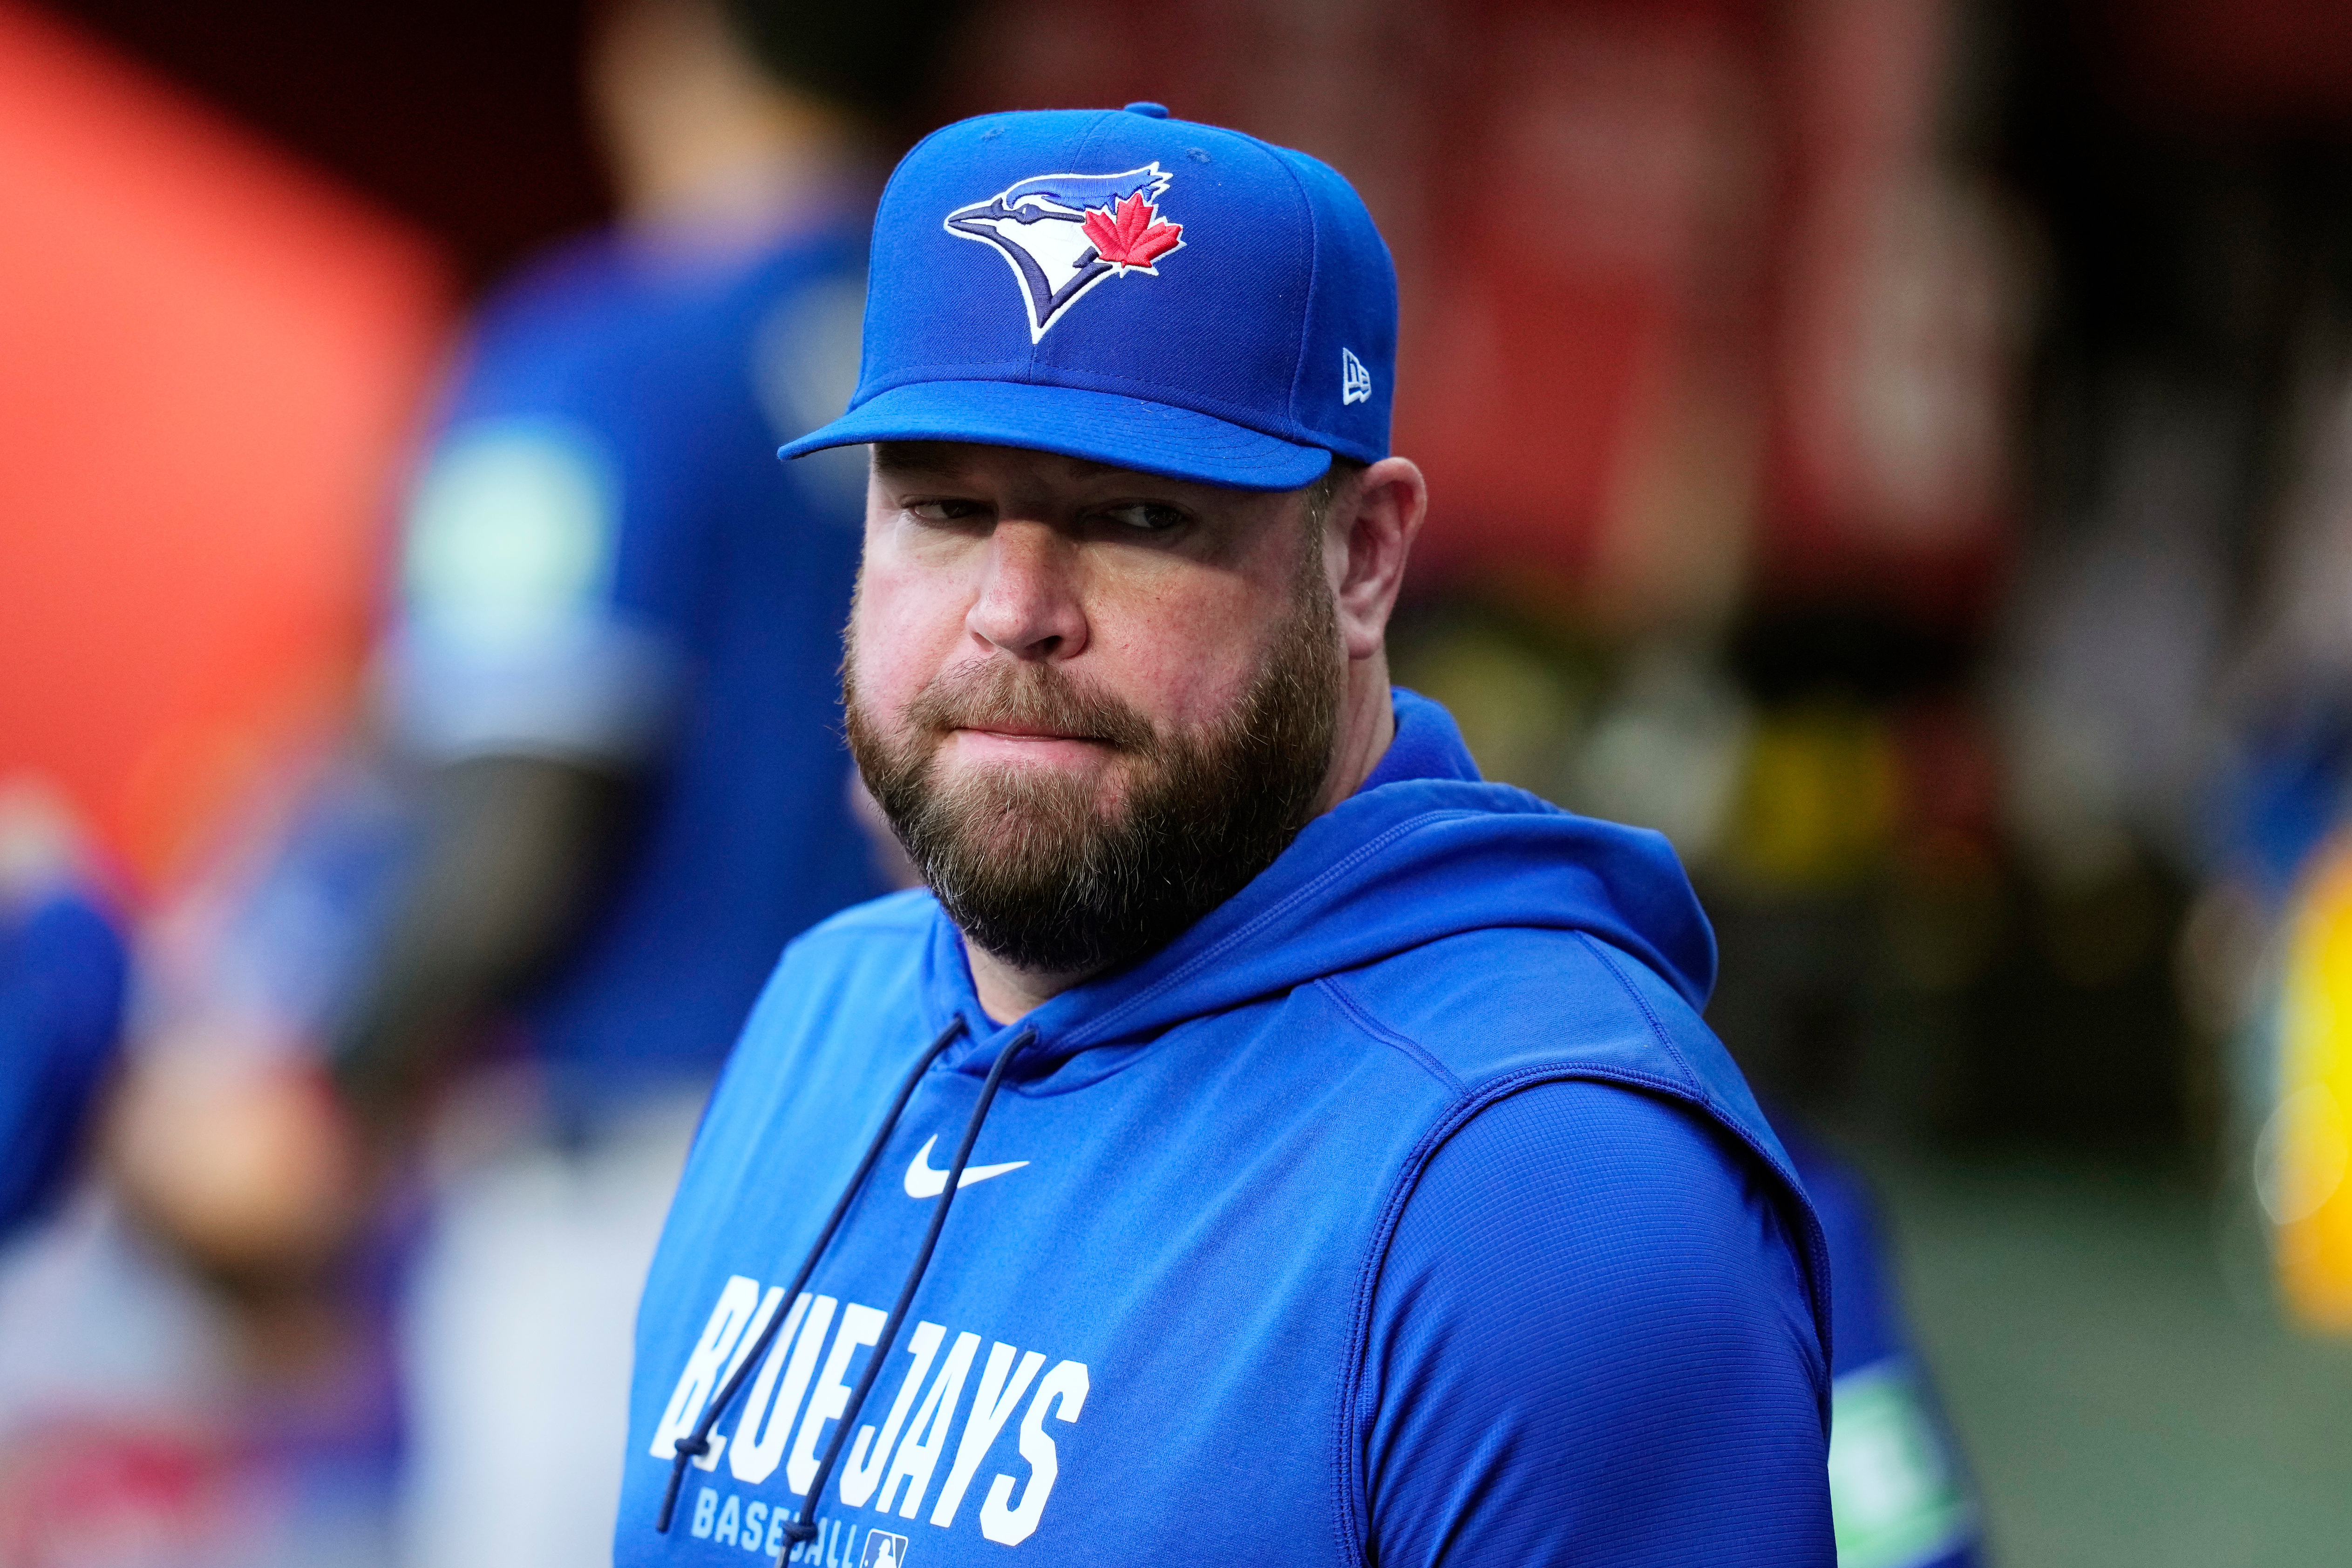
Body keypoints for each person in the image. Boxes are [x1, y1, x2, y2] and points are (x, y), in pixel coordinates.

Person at [616, 104, 1834, 1566]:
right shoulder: (831, 1001)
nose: (1015, 609)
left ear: (1364, 561)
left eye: (1135, 515)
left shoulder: (1546, 1189)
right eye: (944, 508)